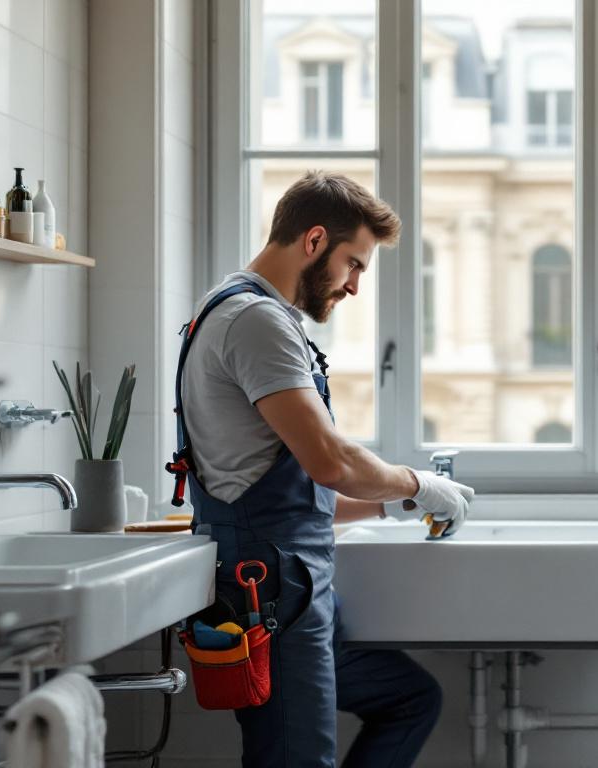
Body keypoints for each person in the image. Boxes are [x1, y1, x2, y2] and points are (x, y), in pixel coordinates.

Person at [170, 170, 475, 767]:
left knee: (411, 699)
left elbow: (288, 489)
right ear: (313, 241)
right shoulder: (255, 321)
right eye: (354, 264)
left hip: (294, 583)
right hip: (274, 592)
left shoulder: (247, 314)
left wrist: (394, 503)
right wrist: (421, 483)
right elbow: (330, 460)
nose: (355, 286)